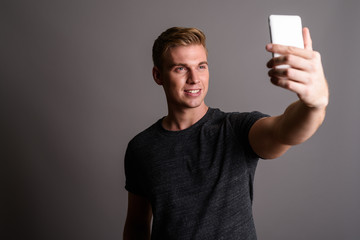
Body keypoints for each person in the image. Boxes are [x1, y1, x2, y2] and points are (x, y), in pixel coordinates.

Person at [123, 27, 329, 239]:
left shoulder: (235, 129)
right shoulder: (141, 147)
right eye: (181, 69)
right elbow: (137, 224)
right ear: (158, 75)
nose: (194, 78)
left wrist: (314, 106)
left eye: (201, 66)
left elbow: (284, 131)